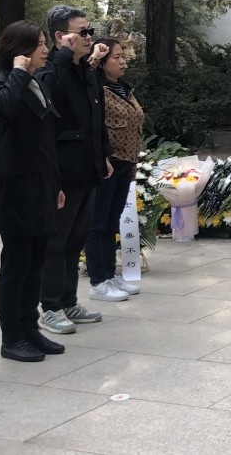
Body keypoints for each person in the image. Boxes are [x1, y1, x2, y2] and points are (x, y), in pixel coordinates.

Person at [0, 21, 68, 363]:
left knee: (35, 263)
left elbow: (46, 141)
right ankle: (12, 337)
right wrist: (19, 73)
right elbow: (4, 109)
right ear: (19, 50)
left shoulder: (36, 83)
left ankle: (30, 328)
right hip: (17, 190)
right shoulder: (2, 82)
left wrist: (56, 184)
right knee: (16, 266)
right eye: (38, 45)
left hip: (42, 185)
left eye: (44, 43)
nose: (45, 50)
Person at [36, 5, 114, 335]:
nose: (88, 37)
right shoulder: (53, 68)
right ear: (60, 36)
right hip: (63, 170)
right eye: (82, 32)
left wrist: (103, 154)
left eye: (89, 31)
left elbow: (96, 117)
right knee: (56, 241)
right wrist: (64, 57)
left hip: (87, 166)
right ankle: (50, 306)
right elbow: (47, 99)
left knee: (75, 239)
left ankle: (68, 300)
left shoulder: (85, 69)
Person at [85, 37, 144, 302]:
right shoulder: (95, 88)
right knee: (97, 223)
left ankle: (109, 275)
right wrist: (102, 157)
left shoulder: (123, 88)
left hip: (126, 162)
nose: (123, 61)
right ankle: (98, 281)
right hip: (107, 163)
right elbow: (94, 127)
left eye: (123, 56)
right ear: (101, 62)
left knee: (112, 222)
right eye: (116, 57)